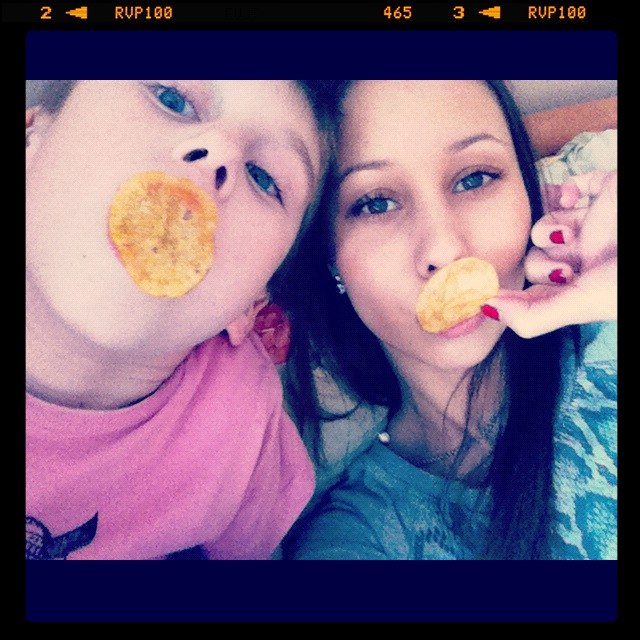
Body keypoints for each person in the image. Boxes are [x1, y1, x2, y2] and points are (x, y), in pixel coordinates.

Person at [280, 80, 617, 560]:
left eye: (475, 178)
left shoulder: (607, 329)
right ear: (329, 255)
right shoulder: (360, 536)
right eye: (375, 203)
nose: (444, 249)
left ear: (528, 191)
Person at [26, 80, 330, 560]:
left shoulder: (245, 432)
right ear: (31, 139)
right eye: (170, 98)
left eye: (263, 177)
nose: (219, 154)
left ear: (252, 304)